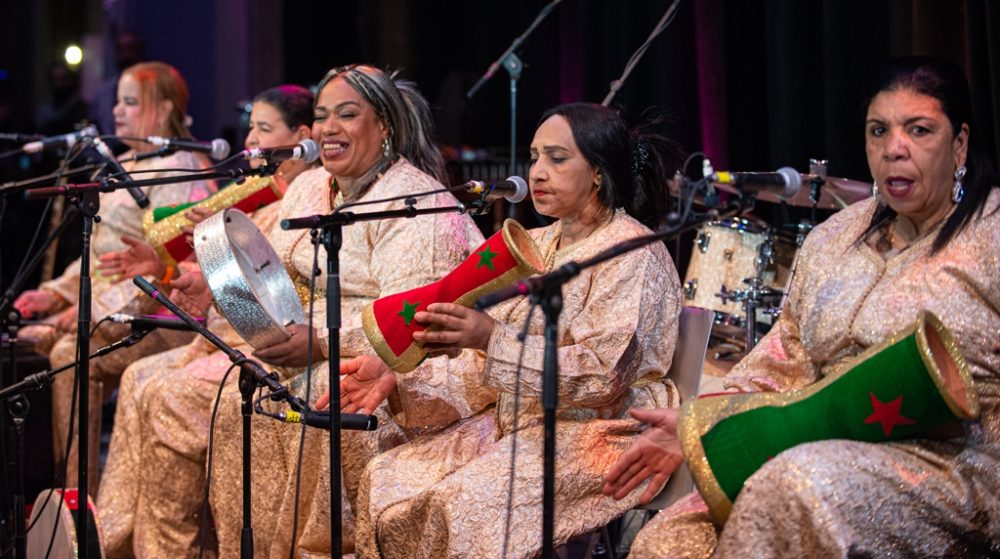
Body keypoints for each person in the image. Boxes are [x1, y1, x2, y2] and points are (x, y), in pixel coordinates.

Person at [607, 56, 1000, 558]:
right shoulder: (832, 238)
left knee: (792, 487)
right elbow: (781, 361)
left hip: (955, 464)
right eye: (878, 131)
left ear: (960, 142)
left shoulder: (990, 233)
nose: (894, 149)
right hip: (812, 442)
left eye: (919, 130)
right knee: (670, 538)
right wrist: (699, 426)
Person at [160, 64, 484, 558]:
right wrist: (217, 289)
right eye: (322, 115)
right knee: (237, 399)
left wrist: (320, 341)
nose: (329, 127)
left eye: (347, 115)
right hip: (308, 343)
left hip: (405, 365)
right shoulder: (311, 186)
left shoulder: (418, 205)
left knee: (315, 401)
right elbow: (274, 271)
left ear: (386, 126)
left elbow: (410, 319)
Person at [339, 102, 684, 559]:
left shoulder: (634, 252)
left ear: (598, 172)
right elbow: (483, 356)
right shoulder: (534, 243)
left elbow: (604, 376)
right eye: (535, 156)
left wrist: (489, 338)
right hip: (517, 418)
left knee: (460, 506)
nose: (537, 172)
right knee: (386, 479)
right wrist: (401, 374)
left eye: (557, 158)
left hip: (603, 430)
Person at [95, 83, 315, 558]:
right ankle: (120, 539)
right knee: (137, 379)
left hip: (265, 346)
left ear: (302, 136)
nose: (252, 141)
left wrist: (201, 281)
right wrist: (170, 271)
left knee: (160, 391)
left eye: (264, 129)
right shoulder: (261, 194)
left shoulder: (304, 197)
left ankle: (172, 547)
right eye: (250, 128)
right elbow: (216, 276)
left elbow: (280, 292)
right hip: (224, 332)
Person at [14, 61, 214, 492]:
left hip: (164, 314)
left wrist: (86, 312)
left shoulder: (184, 170)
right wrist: (54, 295)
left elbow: (171, 265)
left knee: (69, 354)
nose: (117, 113)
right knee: (24, 342)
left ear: (162, 111)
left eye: (129, 102)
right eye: (116, 103)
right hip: (111, 307)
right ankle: (33, 491)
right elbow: (101, 254)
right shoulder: (120, 165)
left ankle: (77, 496)